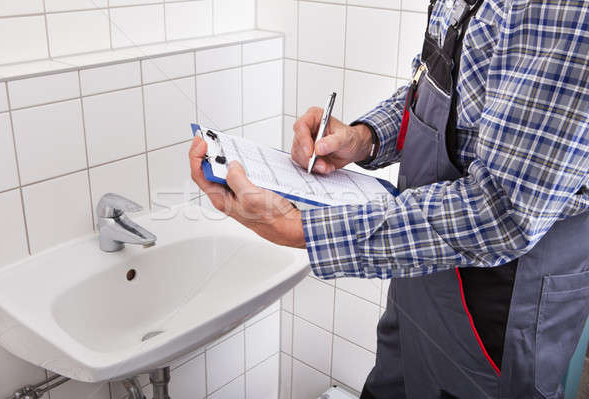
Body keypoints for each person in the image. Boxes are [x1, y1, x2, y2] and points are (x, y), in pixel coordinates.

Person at [190, 0, 589, 397]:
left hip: (496, 310)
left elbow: (500, 210)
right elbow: (437, 89)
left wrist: (298, 229)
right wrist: (363, 138)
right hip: (420, 281)